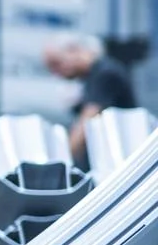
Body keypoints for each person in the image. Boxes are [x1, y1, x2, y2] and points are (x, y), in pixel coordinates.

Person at [43, 33, 139, 162]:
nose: (55, 73)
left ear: (73, 50)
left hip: (119, 157)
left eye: (56, 64)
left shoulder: (105, 73)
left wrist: (61, 160)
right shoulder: (92, 76)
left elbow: (87, 122)